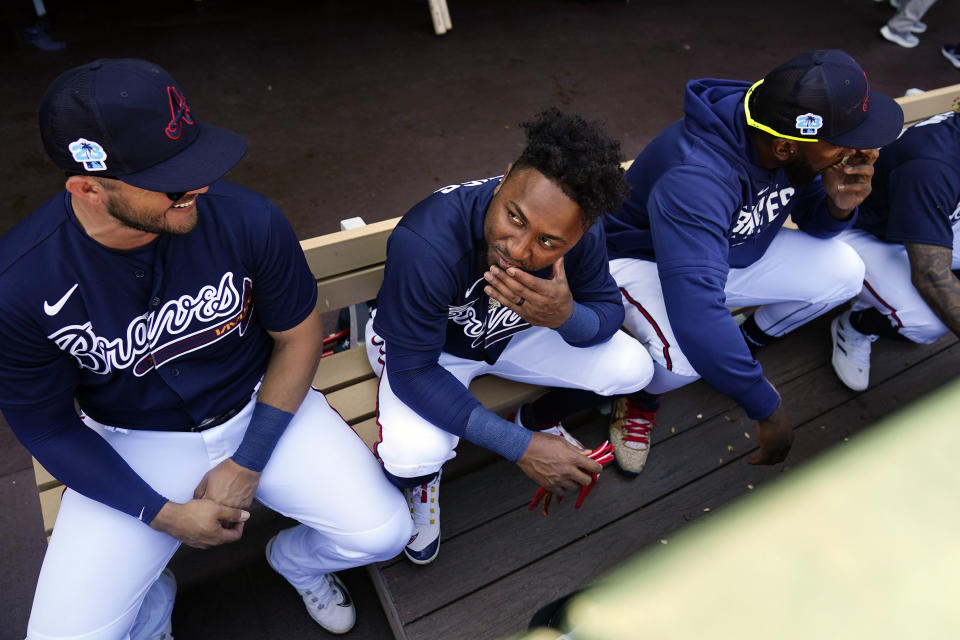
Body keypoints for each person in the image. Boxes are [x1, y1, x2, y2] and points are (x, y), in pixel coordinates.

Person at [0, 58, 411, 639]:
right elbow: (46, 431)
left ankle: (293, 561)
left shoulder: (247, 219)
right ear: (88, 187)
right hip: (135, 440)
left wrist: (248, 461)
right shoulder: (19, 284)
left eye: (196, 160)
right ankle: (148, 606)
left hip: (260, 405)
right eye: (171, 178)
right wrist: (163, 518)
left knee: (383, 534)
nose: (199, 185)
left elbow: (297, 337)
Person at [365, 107, 654, 565]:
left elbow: (605, 311)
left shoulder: (583, 231)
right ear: (502, 181)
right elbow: (412, 369)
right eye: (515, 218)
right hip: (429, 352)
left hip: (514, 337)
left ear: (576, 235)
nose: (518, 250)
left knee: (633, 366)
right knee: (414, 455)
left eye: (548, 242)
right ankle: (425, 483)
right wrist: (520, 450)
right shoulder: (428, 241)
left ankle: (534, 420)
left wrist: (564, 315)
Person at [602, 50, 904, 476]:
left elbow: (815, 220)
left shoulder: (791, 125)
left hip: (723, 248)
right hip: (640, 258)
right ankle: (640, 398)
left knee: (844, 271)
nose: (858, 148)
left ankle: (744, 347)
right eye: (845, 140)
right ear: (783, 147)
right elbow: (697, 311)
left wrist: (838, 205)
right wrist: (767, 409)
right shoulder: (697, 176)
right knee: (686, 359)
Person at [830, 109, 960, 391]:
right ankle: (857, 323)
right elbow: (930, 277)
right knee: (929, 323)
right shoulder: (933, 164)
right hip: (863, 232)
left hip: (930, 220)